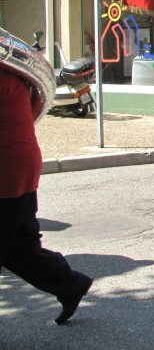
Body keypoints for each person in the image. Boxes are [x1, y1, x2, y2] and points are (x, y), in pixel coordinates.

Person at [1, 63, 93, 325]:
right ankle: (70, 285)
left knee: (17, 244)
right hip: (20, 165)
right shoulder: (15, 74)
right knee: (20, 247)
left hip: (6, 171)